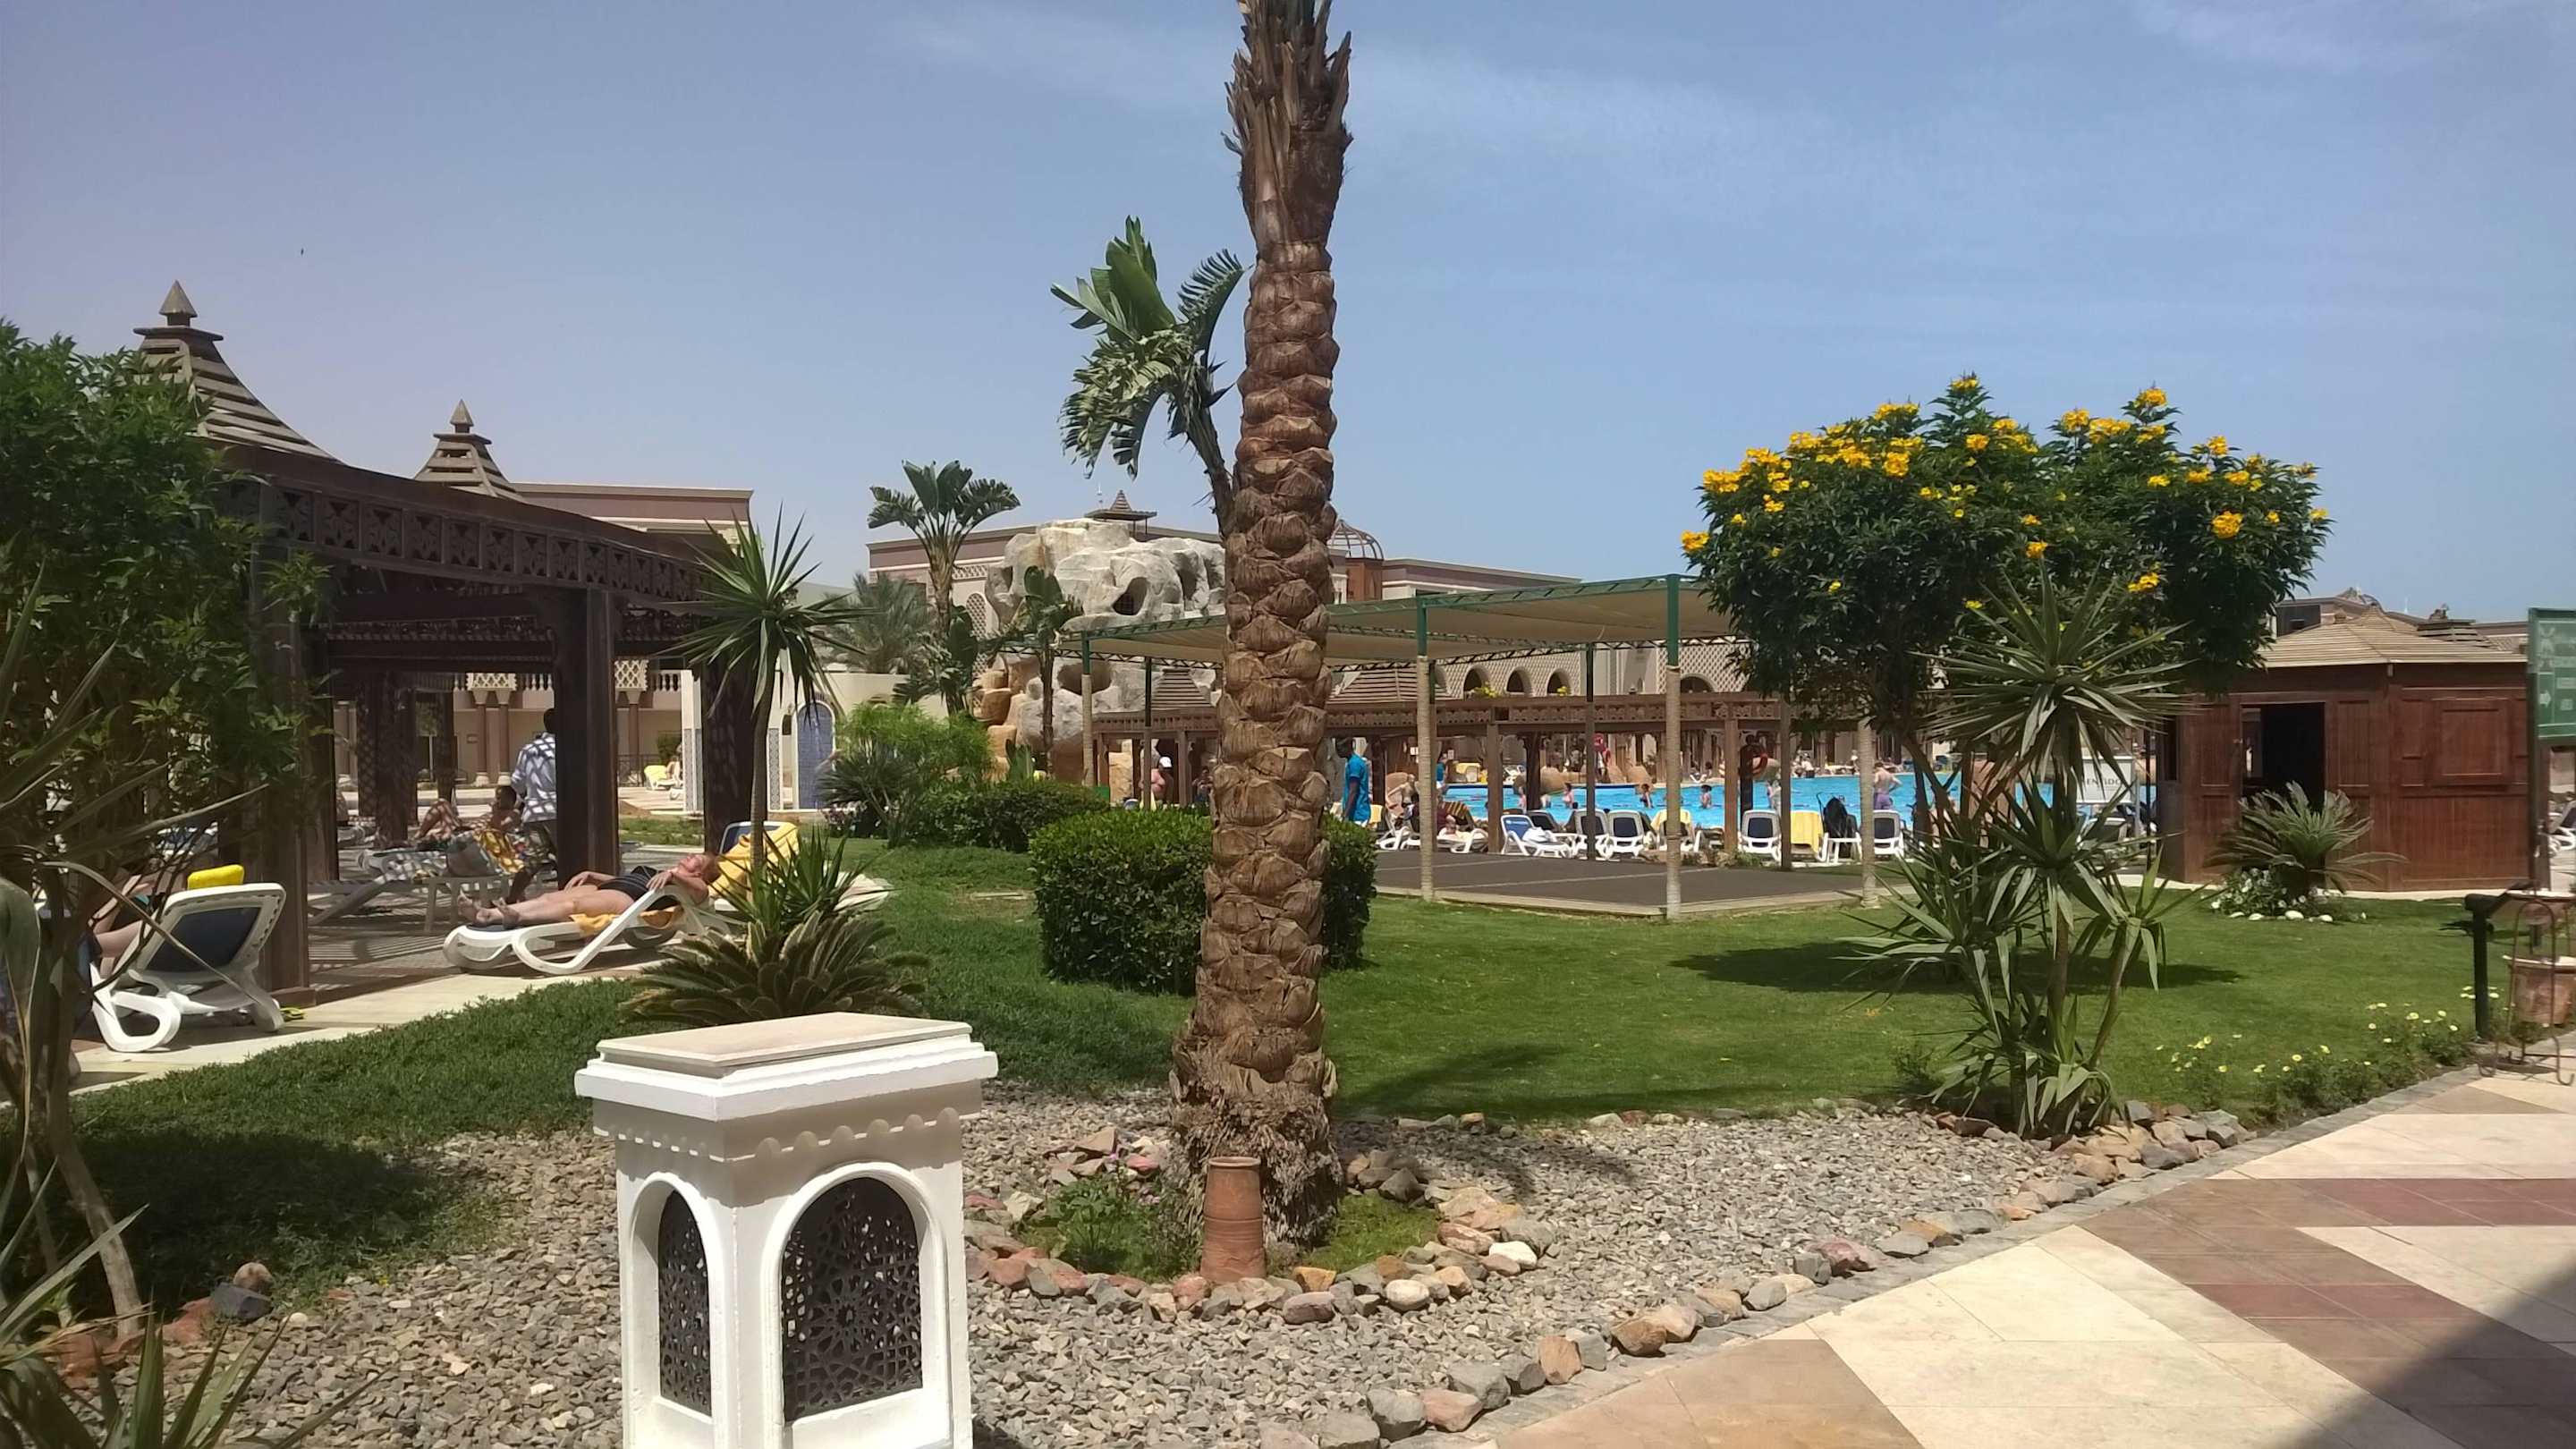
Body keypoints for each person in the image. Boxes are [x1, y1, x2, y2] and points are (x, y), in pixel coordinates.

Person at [470, 852, 717, 929]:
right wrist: (594, 875)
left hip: (628, 899)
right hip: (615, 886)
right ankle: (489, 914)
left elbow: (702, 892)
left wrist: (673, 876)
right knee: (548, 897)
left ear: (700, 873)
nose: (690, 855)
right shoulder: (663, 873)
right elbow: (627, 879)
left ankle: (518, 917)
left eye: (697, 859)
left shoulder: (694, 886)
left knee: (573, 908)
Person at [513, 709, 560, 879]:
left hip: (533, 813)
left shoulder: (529, 749)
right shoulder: (566, 748)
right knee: (571, 858)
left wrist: (526, 795)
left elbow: (517, 781)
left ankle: (514, 893)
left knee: (532, 862)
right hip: (557, 812)